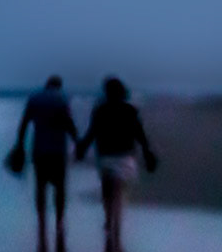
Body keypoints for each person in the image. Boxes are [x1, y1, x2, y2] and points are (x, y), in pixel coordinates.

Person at [76, 76, 157, 243]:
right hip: (125, 156)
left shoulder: (100, 110)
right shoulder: (130, 110)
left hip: (105, 155)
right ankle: (117, 228)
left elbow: (92, 132)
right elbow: (139, 133)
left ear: (106, 92)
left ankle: (108, 220)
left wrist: (82, 148)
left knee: (106, 190)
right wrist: (147, 150)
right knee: (119, 193)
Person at [8, 76, 79, 236]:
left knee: (40, 186)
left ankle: (41, 221)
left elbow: (24, 124)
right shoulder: (63, 99)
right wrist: (78, 142)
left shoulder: (35, 99)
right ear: (59, 86)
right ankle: (59, 222)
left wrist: (20, 144)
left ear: (46, 85)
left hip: (39, 150)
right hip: (58, 150)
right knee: (59, 187)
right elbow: (69, 123)